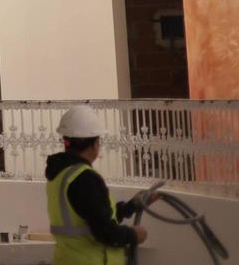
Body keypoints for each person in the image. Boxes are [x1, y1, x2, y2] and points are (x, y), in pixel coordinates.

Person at [46, 106, 160, 264]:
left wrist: (131, 206)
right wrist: (133, 235)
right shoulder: (84, 178)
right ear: (94, 144)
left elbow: (93, 216)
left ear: (66, 143)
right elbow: (105, 232)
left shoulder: (60, 175)